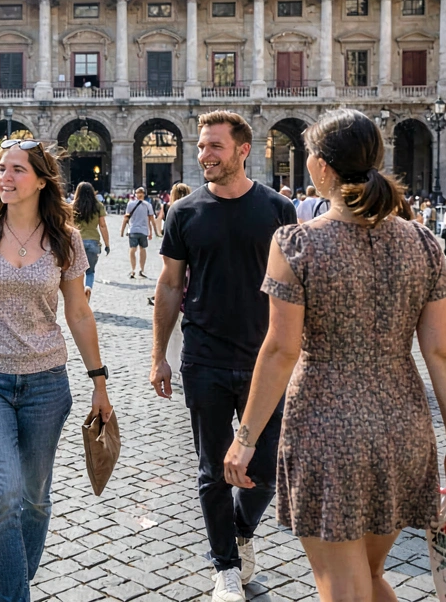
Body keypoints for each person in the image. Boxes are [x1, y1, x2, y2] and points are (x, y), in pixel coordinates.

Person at [220, 109, 446, 601]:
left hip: (326, 426)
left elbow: (279, 349)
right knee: (368, 575)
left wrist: (245, 437)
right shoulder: (423, 242)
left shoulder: (298, 243)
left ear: (320, 167)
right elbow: (442, 352)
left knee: (343, 586)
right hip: (403, 427)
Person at [0, 138, 109, 602]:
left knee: (33, 497)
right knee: (4, 494)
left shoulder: (65, 239)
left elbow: (79, 313)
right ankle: (14, 597)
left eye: (16, 170)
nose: (4, 179)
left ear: (42, 180)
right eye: (0, 170)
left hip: (47, 383)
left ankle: (15, 582)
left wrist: (99, 383)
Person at [150, 111, 296, 601]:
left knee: (267, 468)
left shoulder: (278, 209)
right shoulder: (184, 212)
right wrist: (158, 356)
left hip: (266, 359)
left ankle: (240, 529)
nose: (204, 155)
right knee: (212, 469)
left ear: (241, 150)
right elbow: (169, 286)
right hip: (205, 357)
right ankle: (226, 569)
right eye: (201, 146)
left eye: (214, 146)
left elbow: (297, 290)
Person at [72, 181, 111, 298]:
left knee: (77, 272)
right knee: (90, 271)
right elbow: (103, 226)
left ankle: (79, 294)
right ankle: (88, 287)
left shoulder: (72, 206)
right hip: (93, 242)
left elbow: (68, 225)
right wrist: (107, 244)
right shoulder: (98, 206)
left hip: (77, 242)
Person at [121, 186, 155, 279]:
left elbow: (126, 218)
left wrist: (122, 230)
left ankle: (133, 270)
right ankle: (141, 270)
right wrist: (152, 232)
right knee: (142, 249)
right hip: (143, 231)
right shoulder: (148, 205)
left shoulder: (130, 204)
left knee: (132, 249)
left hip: (133, 230)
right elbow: (151, 220)